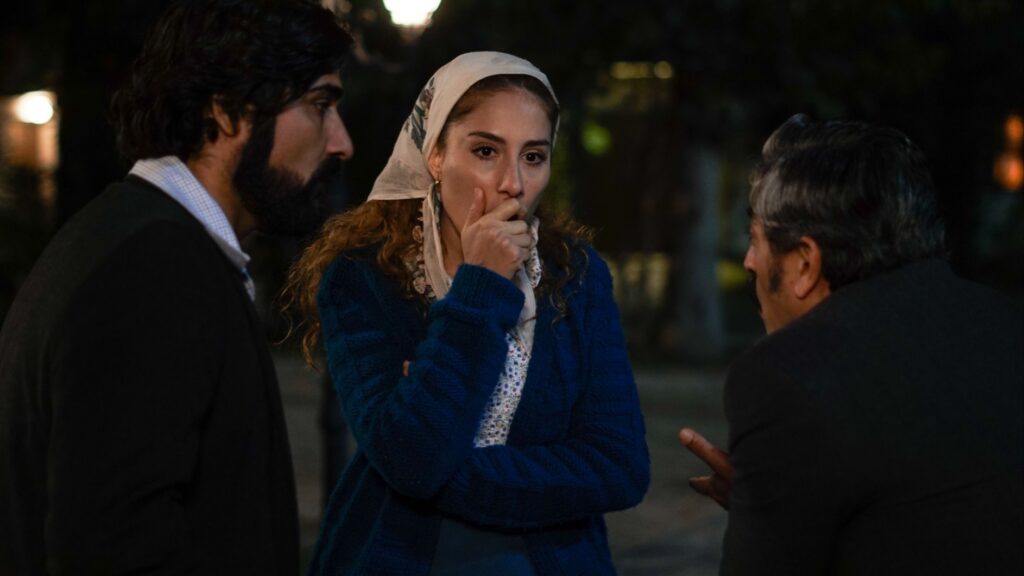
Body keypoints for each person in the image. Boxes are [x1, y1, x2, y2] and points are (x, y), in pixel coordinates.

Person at [0, 1, 354, 573]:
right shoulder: (152, 267)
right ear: (228, 109)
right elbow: (112, 547)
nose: (341, 142)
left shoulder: (145, 239)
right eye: (320, 104)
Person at [282, 51, 650, 575]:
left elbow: (619, 467)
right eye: (485, 151)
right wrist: (480, 285)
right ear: (435, 154)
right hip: (403, 557)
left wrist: (446, 474)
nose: (512, 183)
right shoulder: (364, 278)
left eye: (533, 156)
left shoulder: (578, 276)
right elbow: (411, 459)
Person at [680, 114, 1024, 574]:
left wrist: (764, 509)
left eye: (755, 239)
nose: (748, 262)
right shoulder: (1007, 323)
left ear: (805, 263)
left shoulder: (789, 374)